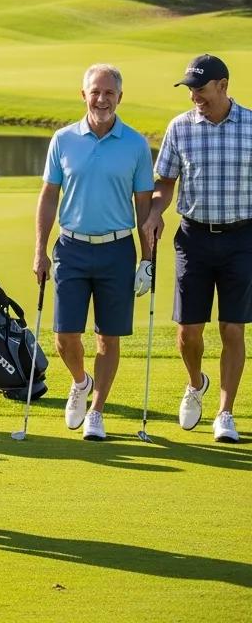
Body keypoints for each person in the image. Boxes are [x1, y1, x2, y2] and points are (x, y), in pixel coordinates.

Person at [33, 64, 154, 441]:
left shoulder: (135, 144)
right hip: (70, 248)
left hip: (117, 250)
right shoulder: (63, 139)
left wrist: (147, 259)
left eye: (109, 93)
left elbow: (144, 207)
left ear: (120, 97)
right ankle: (80, 382)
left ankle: (97, 412)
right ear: (83, 95)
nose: (102, 99)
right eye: (95, 92)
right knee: (65, 337)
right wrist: (40, 249)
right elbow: (49, 195)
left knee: (108, 338)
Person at [142, 55, 252, 444]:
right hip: (194, 238)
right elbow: (166, 182)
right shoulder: (180, 127)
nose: (194, 97)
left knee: (232, 328)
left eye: (200, 89)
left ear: (222, 85)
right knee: (188, 331)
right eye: (190, 89)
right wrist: (156, 212)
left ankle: (225, 412)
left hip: (242, 239)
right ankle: (195, 383)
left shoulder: (251, 125)